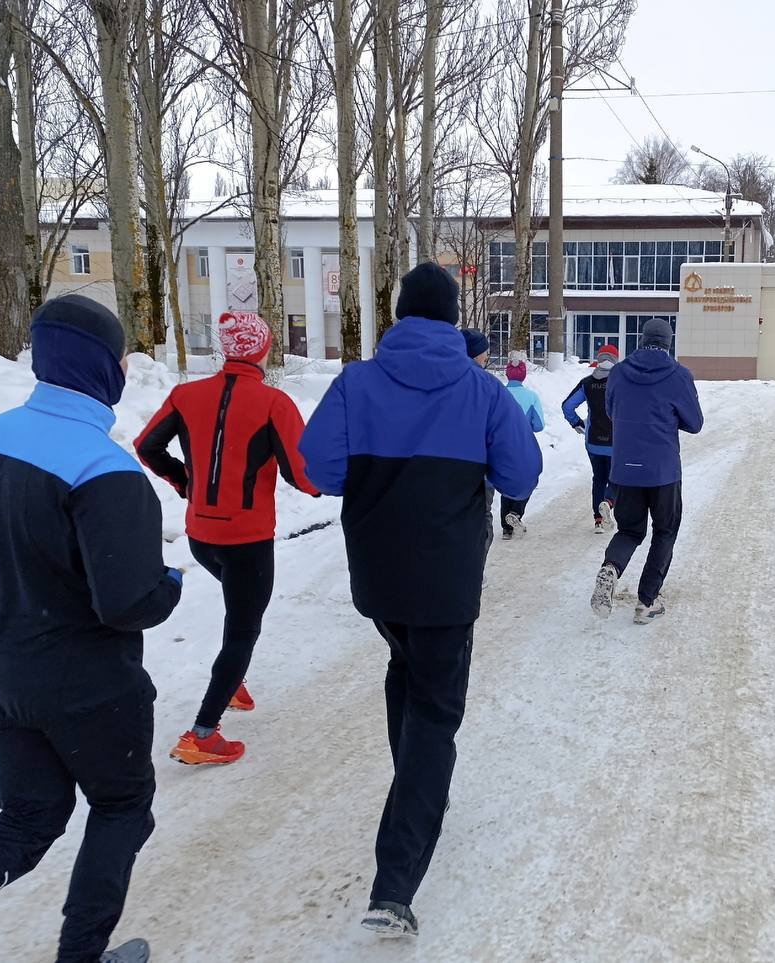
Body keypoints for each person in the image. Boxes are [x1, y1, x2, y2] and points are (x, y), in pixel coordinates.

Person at [300, 263, 541, 940]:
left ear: (401, 315)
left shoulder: (356, 382)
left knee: (404, 665)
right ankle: (395, 886)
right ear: (452, 316)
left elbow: (318, 468)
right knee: (434, 716)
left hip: (378, 580)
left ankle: (417, 790)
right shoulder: (483, 391)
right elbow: (521, 472)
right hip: (447, 582)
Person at [0, 295, 182, 963]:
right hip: (85, 687)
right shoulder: (106, 469)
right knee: (123, 806)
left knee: (29, 817)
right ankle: (81, 955)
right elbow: (128, 602)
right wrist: (168, 585)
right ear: (103, 368)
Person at [134, 312, 318, 766]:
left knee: (238, 611)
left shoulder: (185, 394)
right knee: (244, 627)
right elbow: (303, 476)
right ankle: (202, 734)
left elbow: (146, 446)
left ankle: (231, 678)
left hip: (202, 535)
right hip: (248, 540)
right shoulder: (274, 403)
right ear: (261, 350)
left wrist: (186, 484)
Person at [590, 319, 703, 625]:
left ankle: (611, 567)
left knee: (629, 530)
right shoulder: (679, 375)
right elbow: (695, 423)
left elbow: (612, 412)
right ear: (669, 342)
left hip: (625, 468)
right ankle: (646, 602)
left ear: (642, 340)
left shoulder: (620, 372)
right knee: (665, 531)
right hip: (663, 470)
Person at [562, 344, 619, 533]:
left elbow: (567, 406)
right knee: (616, 479)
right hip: (616, 443)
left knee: (599, 479)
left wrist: (577, 423)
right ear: (616, 360)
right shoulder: (621, 384)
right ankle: (609, 502)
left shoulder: (587, 383)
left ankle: (598, 520)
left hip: (593, 442)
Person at [461, 328, 496, 560]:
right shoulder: (486, 385)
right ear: (476, 354)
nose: (487, 357)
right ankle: (473, 570)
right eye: (485, 353)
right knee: (481, 520)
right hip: (478, 472)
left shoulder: (434, 381)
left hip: (438, 471)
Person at [499, 359, 545, 540]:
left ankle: (506, 528)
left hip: (500, 445)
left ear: (507, 374)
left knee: (505, 481)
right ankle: (516, 512)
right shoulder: (531, 396)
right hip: (523, 445)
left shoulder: (499, 393)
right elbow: (539, 425)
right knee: (529, 478)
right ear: (523, 375)